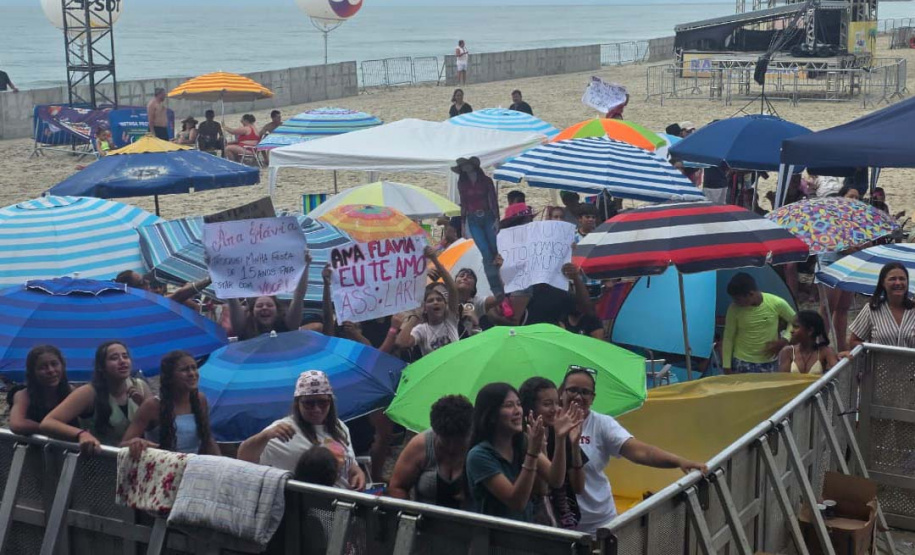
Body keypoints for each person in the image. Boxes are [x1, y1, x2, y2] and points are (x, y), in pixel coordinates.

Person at [560, 366, 706, 535]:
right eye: (572, 390)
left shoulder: (602, 424)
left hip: (598, 522)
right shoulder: (548, 423)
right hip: (558, 523)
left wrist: (679, 461)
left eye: (585, 392)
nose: (578, 396)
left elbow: (642, 452)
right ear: (561, 392)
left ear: (593, 398)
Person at [238, 370, 366, 490]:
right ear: (297, 403)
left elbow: (349, 462)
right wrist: (265, 436)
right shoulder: (282, 429)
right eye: (309, 403)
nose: (316, 409)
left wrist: (357, 473)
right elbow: (243, 458)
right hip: (308, 500)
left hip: (345, 498)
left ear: (331, 402)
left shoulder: (340, 427)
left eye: (323, 402)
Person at [465, 383, 569, 522]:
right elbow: (517, 502)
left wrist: (560, 438)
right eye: (509, 405)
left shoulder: (522, 443)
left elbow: (555, 480)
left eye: (518, 404)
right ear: (491, 415)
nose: (518, 411)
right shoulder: (479, 455)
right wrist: (532, 454)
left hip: (525, 532)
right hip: (495, 534)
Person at [41, 341, 152, 452]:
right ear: (101, 367)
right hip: (101, 457)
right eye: (114, 358)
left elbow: (154, 427)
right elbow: (48, 422)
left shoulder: (140, 386)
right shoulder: (89, 392)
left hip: (135, 457)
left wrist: (144, 405)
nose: (122, 361)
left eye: (125, 356)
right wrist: (81, 434)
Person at [120, 350, 220, 456]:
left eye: (194, 368)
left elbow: (208, 438)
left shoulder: (200, 399)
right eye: (184, 370)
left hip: (194, 464)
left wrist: (222, 462)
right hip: (163, 464)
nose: (192, 373)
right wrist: (139, 443)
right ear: (170, 376)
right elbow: (123, 445)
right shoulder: (152, 405)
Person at [519, 377, 586, 528]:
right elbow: (547, 485)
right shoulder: (524, 439)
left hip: (566, 520)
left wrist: (575, 446)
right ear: (529, 408)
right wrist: (557, 440)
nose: (555, 409)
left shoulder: (559, 431)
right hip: (537, 522)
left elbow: (579, 487)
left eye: (557, 403)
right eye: (547, 404)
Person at [388, 394, 474, 508]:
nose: (452, 447)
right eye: (446, 440)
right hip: (426, 517)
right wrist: (410, 513)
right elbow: (397, 487)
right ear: (435, 431)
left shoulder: (481, 446)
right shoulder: (420, 445)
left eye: (459, 441)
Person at [396, 247, 469, 355]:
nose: (435, 302)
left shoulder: (450, 318)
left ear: (445, 305)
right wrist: (415, 316)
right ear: (425, 308)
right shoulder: (421, 330)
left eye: (439, 299)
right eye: (430, 301)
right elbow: (401, 343)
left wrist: (434, 259)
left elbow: (452, 288)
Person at [722, 273, 796, 374]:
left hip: (769, 361)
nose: (736, 302)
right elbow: (728, 337)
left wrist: (784, 340)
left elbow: (796, 321)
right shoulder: (734, 309)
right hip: (742, 361)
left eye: (738, 299)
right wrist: (726, 365)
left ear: (751, 294)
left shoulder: (776, 303)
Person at [227, 252, 311, 340]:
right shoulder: (243, 328)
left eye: (269, 305)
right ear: (252, 311)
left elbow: (299, 296)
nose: (264, 308)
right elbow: (231, 299)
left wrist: (305, 265)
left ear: (277, 310)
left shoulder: (289, 325)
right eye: (259, 306)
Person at [455, 156, 504, 301]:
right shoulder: (462, 183)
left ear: (473, 165)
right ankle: (496, 290)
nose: (466, 167)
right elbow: (463, 203)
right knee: (485, 252)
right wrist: (463, 224)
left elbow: (493, 200)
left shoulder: (486, 180)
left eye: (467, 164)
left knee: (495, 250)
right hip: (472, 218)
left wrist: (497, 219)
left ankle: (502, 284)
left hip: (488, 216)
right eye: (463, 166)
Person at [818, 185, 861, 351]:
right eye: (851, 196)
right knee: (828, 308)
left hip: (849, 264)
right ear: (842, 197)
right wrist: (856, 249)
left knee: (843, 308)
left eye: (857, 197)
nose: (854, 200)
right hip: (831, 264)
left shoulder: (857, 219)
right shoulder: (832, 216)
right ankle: (821, 346)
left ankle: (842, 346)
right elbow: (838, 245)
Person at [848, 262, 915, 350]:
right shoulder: (871, 309)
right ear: (883, 283)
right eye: (892, 279)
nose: (898, 283)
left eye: (902, 279)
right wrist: (873, 350)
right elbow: (853, 341)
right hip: (879, 359)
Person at [8, 346, 73, 436]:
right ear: (33, 372)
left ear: (62, 365)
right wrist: (56, 430)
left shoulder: (72, 392)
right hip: (37, 444)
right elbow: (17, 424)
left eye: (54, 364)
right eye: (43, 367)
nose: (51, 370)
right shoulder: (24, 395)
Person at [115, 270, 210, 308]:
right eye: (142, 282)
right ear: (132, 290)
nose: (147, 282)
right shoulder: (143, 306)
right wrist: (210, 279)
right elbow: (178, 296)